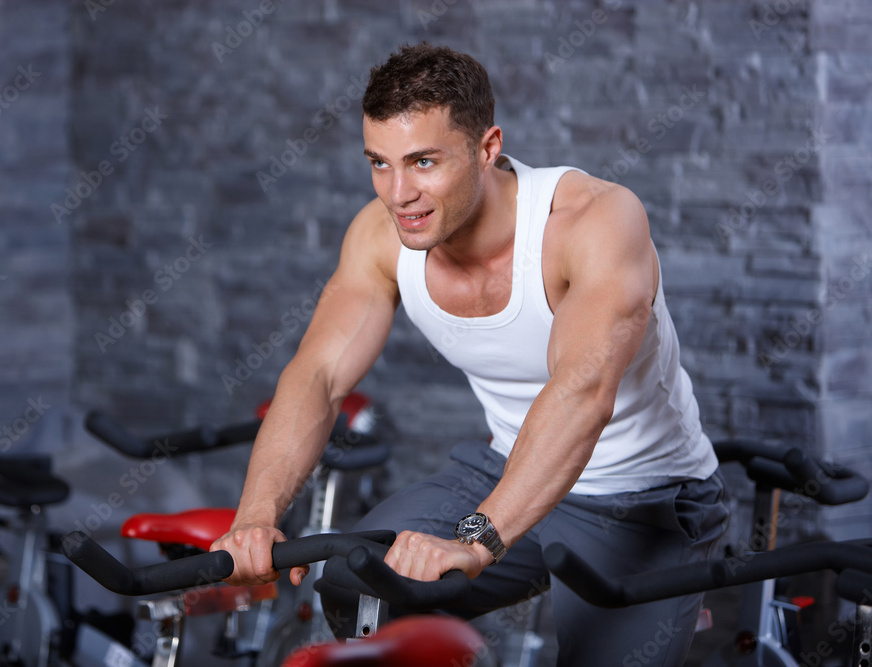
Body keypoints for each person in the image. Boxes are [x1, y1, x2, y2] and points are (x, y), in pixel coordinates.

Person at [212, 43, 729, 666]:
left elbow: (584, 391)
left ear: (487, 148)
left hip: (642, 497)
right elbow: (318, 375)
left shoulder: (591, 220)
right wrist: (255, 515)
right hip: (506, 468)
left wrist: (477, 538)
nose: (398, 194)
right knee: (355, 583)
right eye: (379, 163)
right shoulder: (379, 236)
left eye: (424, 161)